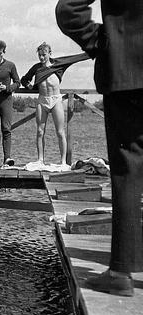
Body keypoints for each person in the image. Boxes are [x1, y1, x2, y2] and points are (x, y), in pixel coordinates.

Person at [57, 0, 143, 297]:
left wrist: (103, 43)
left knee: (127, 170)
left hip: (125, 72)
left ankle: (121, 271)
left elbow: (68, 9)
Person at [21, 42, 69, 167]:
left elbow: (73, 59)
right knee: (40, 131)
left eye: (44, 55)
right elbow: (24, 79)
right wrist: (30, 87)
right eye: (40, 55)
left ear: (50, 53)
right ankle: (40, 160)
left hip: (56, 100)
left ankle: (63, 161)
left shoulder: (58, 65)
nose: (41, 57)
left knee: (60, 131)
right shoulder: (36, 68)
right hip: (42, 100)